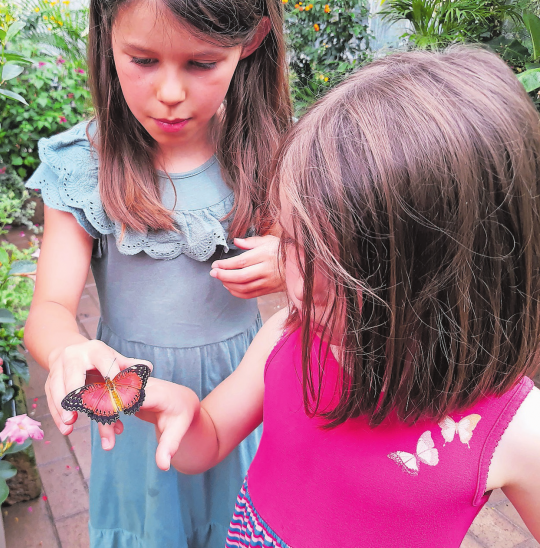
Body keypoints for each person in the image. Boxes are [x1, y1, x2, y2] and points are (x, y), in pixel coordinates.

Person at [132, 47, 540, 547]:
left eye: (342, 266)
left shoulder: (515, 429)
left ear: (450, 275)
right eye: (292, 244)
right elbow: (206, 444)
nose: (297, 284)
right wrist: (179, 411)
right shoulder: (287, 338)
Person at [23, 0, 292, 545]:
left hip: (239, 390)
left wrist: (290, 259)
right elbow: (49, 310)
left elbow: (320, 259)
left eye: (201, 63)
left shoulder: (268, 152)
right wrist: (68, 352)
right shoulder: (82, 165)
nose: (170, 92)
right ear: (106, 35)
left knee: (239, 523)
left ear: (253, 39)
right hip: (133, 397)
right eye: (143, 59)